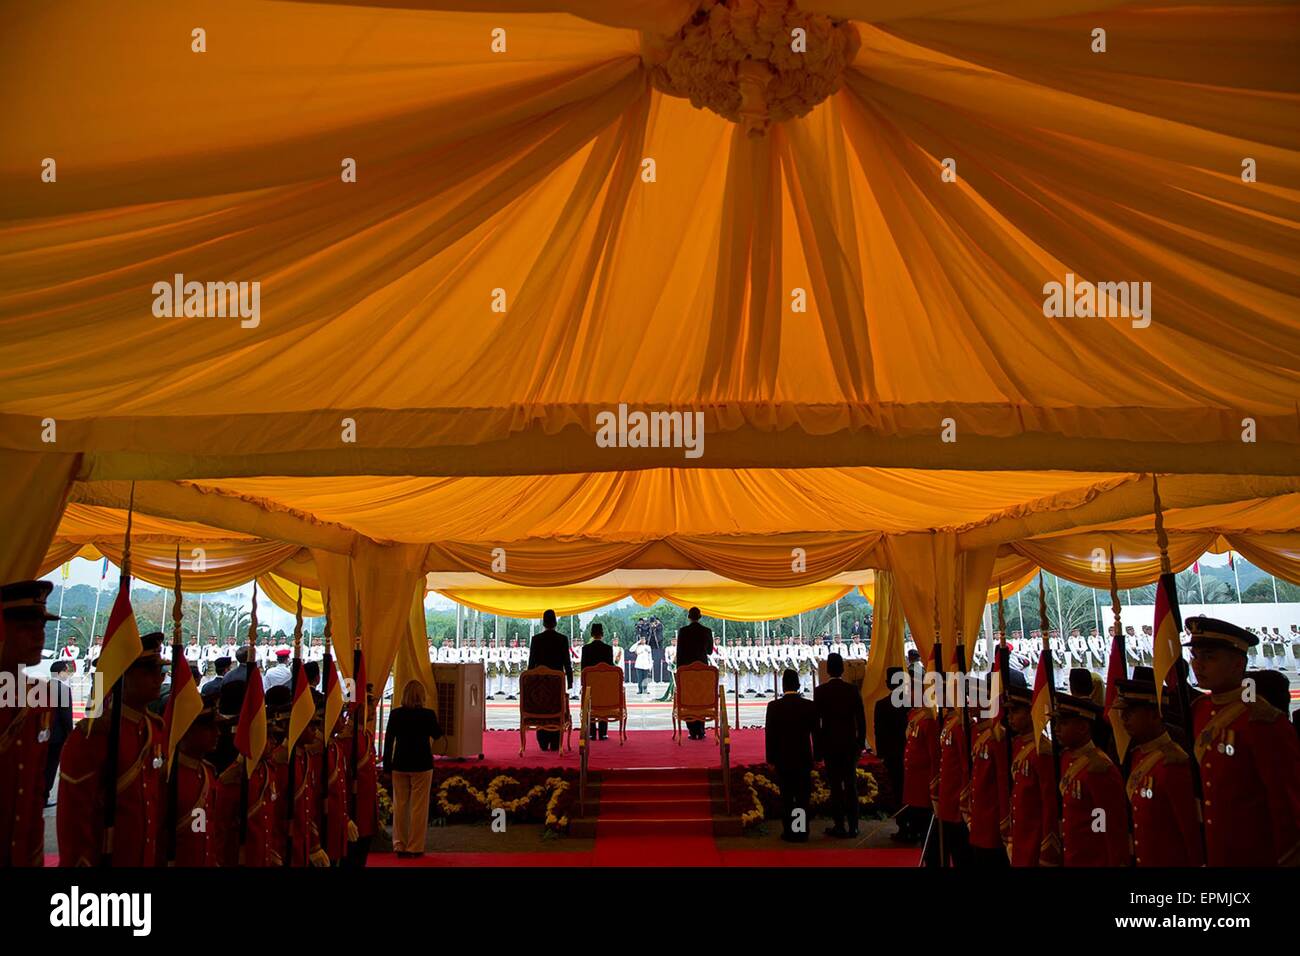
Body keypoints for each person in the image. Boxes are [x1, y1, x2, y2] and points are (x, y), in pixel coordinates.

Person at [1186, 616, 1300, 866]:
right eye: (1195, 656)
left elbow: (1287, 805)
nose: (1198, 665)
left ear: (1238, 663)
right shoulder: (1200, 710)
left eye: (1209, 657)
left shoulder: (1262, 721)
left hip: (1258, 855)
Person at [58, 632, 167, 867]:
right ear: (123, 675)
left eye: (161, 671)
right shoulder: (94, 735)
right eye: (149, 671)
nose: (159, 679)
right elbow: (75, 817)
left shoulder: (155, 728)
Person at [1112, 675, 1202, 866]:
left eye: (1131, 711)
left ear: (1155, 714)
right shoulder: (1136, 754)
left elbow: (1189, 828)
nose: (1124, 718)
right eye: (1123, 712)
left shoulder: (1173, 762)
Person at [0, 580, 60, 866]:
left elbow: (34, 788)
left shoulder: (40, 696)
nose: (40, 635)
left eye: (42, 626)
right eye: (27, 627)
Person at [1051, 692, 1129, 867]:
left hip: (1093, 859)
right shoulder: (1067, 758)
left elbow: (1105, 823)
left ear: (1083, 727)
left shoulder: (1099, 768)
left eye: (1063, 723)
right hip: (1073, 855)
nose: (1056, 729)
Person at [383, 680, 443, 858]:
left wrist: (387, 766)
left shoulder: (395, 715)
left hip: (400, 763)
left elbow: (388, 742)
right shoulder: (428, 715)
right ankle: (415, 846)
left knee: (400, 805)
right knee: (419, 807)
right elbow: (438, 734)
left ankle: (399, 844)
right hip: (422, 764)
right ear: (422, 697)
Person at [813, 653, 866, 837]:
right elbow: (861, 718)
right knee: (851, 786)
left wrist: (817, 750)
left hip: (830, 745)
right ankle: (854, 826)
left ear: (827, 671)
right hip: (849, 744)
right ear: (843, 670)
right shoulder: (851, 690)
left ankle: (839, 826)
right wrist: (860, 743)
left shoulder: (820, 691)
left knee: (835, 787)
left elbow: (816, 724)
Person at [765, 669, 817, 842]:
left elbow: (770, 735)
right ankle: (801, 830)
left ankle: (789, 831)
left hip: (783, 758)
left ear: (783, 685)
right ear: (799, 684)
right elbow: (816, 734)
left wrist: (770, 759)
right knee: (802, 797)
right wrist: (817, 756)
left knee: (787, 796)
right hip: (803, 757)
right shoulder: (809, 706)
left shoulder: (774, 706)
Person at [172, 690, 221, 866]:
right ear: (187, 729)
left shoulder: (207, 771)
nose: (217, 733)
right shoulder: (169, 775)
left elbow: (203, 826)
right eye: (209, 728)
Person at [966, 678, 1010, 866]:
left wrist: (1003, 819)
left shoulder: (997, 737)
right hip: (979, 812)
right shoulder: (977, 730)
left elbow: (1002, 780)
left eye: (974, 698)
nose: (969, 703)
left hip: (992, 815)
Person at [1005, 671, 1045, 866]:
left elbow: (1048, 802)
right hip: (1020, 829)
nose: (1010, 718)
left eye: (1015, 712)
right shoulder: (1017, 744)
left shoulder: (1041, 751)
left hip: (1035, 834)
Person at [526, 610, 572, 752]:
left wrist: (528, 684)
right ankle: (555, 740)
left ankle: (543, 741)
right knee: (556, 709)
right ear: (555, 623)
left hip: (539, 685)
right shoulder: (562, 639)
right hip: (557, 683)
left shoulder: (536, 639)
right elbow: (567, 663)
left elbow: (531, 664)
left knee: (542, 709)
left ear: (544, 623)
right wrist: (570, 682)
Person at [676, 607, 715, 740]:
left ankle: (693, 730)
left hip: (687, 671)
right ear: (700, 616)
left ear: (689, 617)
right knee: (702, 698)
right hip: (703, 670)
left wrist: (679, 672)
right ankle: (701, 730)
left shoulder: (683, 631)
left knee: (689, 699)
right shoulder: (707, 631)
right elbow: (710, 651)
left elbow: (679, 653)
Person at [43, 660, 75, 807]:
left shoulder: (42, 687)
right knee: (50, 766)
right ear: (61, 671)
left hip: (43, 733)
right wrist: (70, 733)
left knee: (41, 764)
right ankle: (44, 796)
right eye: (67, 670)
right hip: (57, 735)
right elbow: (66, 716)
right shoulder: (63, 689)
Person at [580, 623, 613, 740]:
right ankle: (603, 733)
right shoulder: (608, 649)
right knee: (603, 705)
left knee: (590, 706)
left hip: (590, 686)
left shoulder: (585, 649)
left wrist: (582, 686)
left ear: (591, 634)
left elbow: (583, 669)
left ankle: (592, 733)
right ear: (602, 634)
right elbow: (611, 670)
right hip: (604, 686)